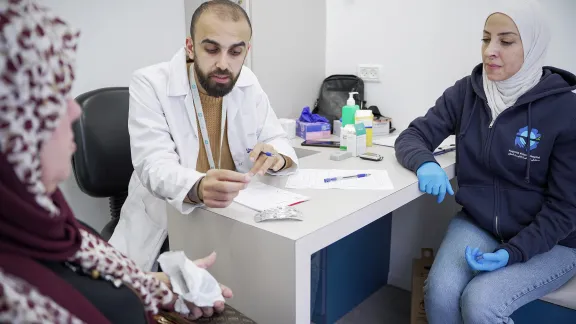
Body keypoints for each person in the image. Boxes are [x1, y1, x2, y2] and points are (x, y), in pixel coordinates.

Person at [0, 1, 232, 322]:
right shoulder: (15, 299)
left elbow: (93, 284)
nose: (74, 112)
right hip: (162, 211)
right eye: (52, 99)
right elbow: (156, 165)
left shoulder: (51, 223)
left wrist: (163, 285)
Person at [395, 1, 576, 323]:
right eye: (485, 39)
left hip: (554, 240)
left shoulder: (565, 110)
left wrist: (514, 252)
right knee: (439, 290)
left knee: (480, 302)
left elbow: (566, 208)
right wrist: (425, 163)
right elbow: (413, 136)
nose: (490, 50)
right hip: (480, 223)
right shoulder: (467, 92)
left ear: (533, 48)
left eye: (506, 41)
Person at [109, 0, 299, 271]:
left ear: (247, 50)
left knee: (274, 273)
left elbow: (277, 137)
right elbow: (153, 164)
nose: (224, 64)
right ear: (190, 46)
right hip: (171, 220)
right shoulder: (150, 83)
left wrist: (277, 157)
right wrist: (198, 186)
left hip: (233, 215)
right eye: (211, 49)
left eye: (235, 52)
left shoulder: (247, 81)